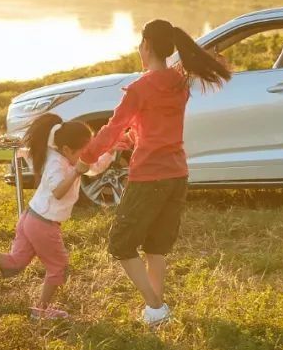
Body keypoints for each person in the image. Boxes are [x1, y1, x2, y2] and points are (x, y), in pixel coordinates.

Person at [76, 19, 231, 326]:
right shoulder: (179, 83)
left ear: (146, 46)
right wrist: (133, 138)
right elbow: (154, 126)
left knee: (121, 243)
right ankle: (154, 315)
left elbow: (112, 128)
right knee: (155, 246)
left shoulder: (140, 88)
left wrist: (86, 159)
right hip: (177, 175)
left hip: (150, 175)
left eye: (140, 44)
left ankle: (156, 304)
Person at [0, 113, 114, 319]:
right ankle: (41, 310)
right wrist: (76, 171)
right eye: (84, 151)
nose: (88, 155)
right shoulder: (55, 164)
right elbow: (58, 191)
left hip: (31, 218)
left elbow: (93, 167)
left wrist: (111, 150)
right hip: (43, 224)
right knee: (58, 267)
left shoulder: (65, 156)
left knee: (14, 265)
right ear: (68, 150)